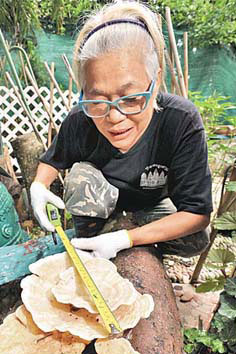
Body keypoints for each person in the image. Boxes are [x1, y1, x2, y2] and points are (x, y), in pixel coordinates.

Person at [30, 0, 213, 260]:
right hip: (103, 205)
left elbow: (197, 213)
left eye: (130, 98)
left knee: (195, 239)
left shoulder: (180, 120)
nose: (114, 117)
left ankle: (140, 242)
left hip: (153, 205)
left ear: (156, 80)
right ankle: (90, 241)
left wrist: (127, 238)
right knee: (81, 175)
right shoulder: (81, 118)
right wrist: (39, 185)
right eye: (97, 100)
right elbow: (54, 159)